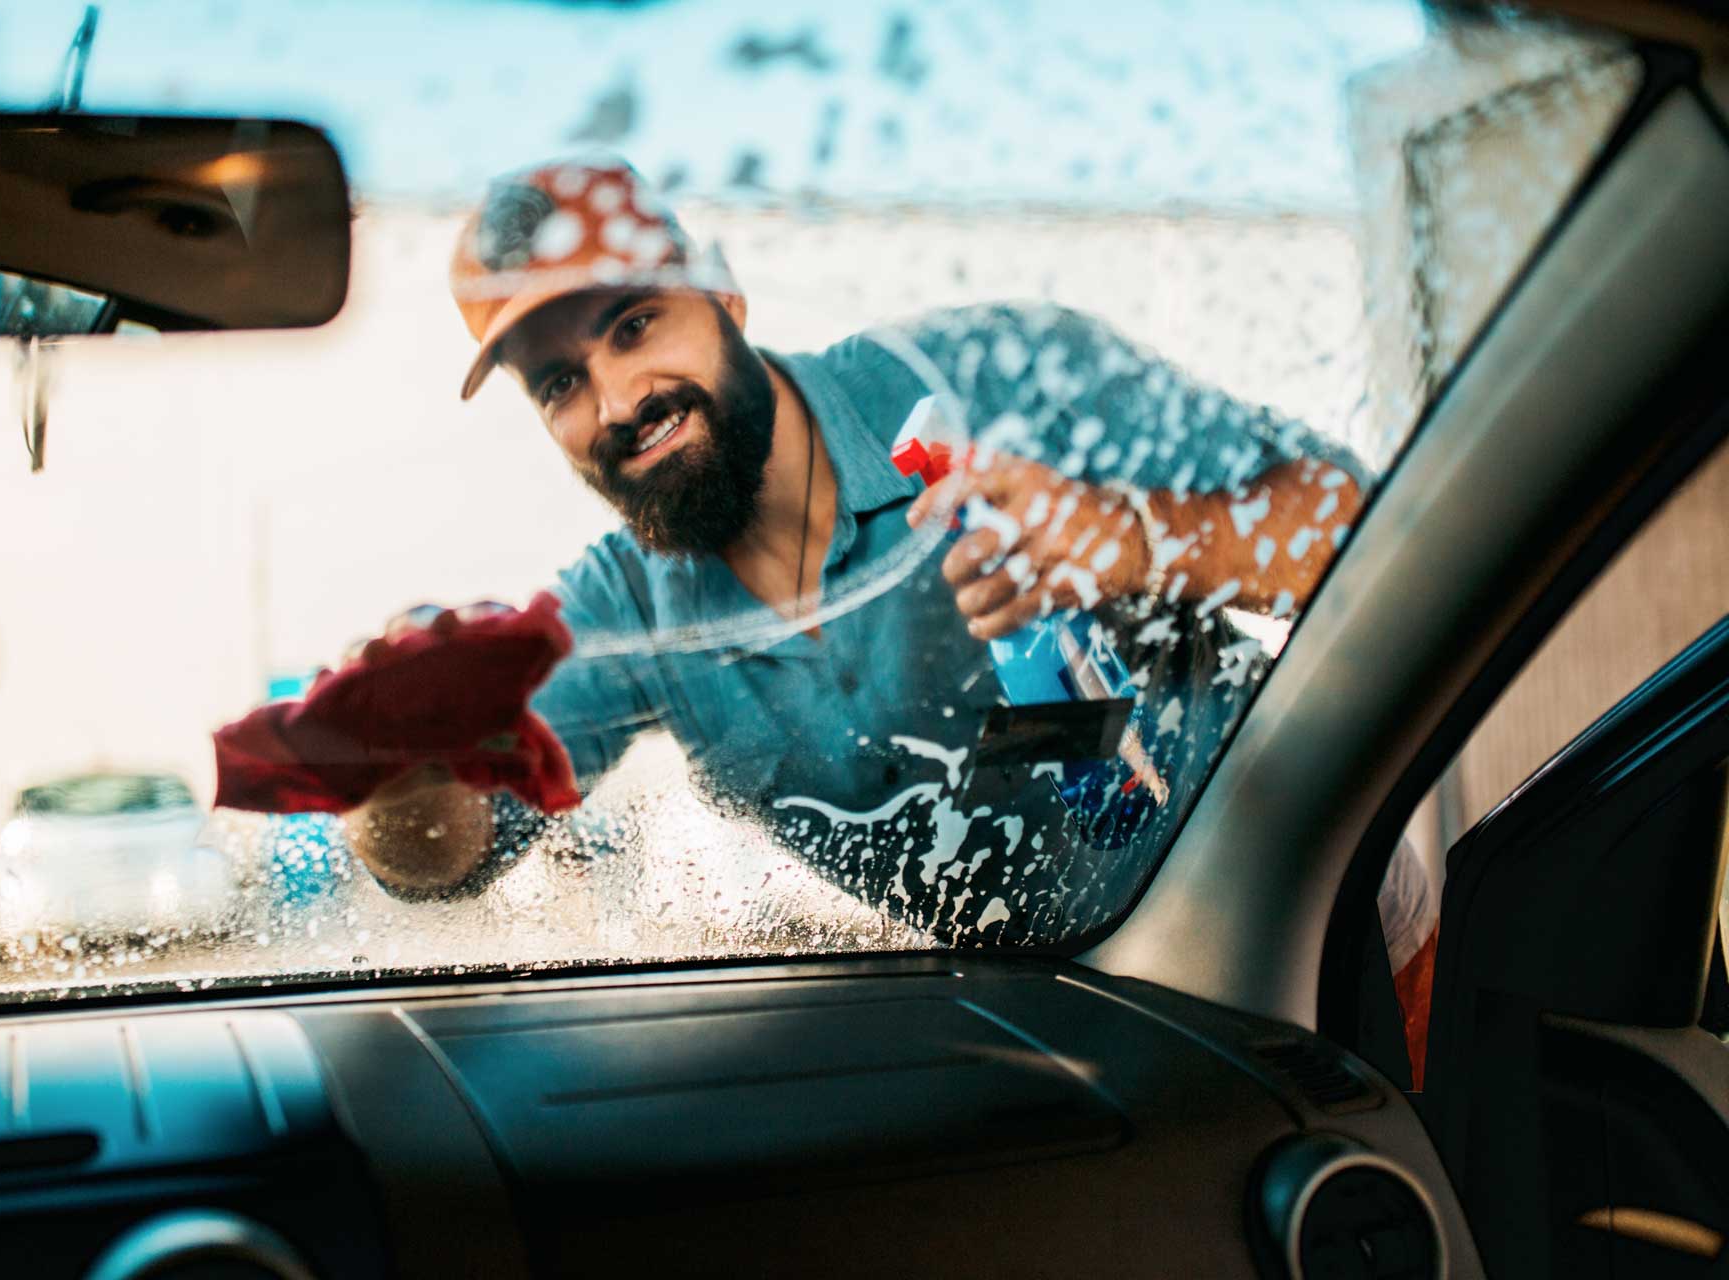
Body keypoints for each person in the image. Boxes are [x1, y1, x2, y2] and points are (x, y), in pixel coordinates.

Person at [342, 157, 1375, 947]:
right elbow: (451, 851)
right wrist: (391, 769)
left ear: (726, 296)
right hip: (1075, 1015)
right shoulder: (631, 616)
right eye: (558, 384)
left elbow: (1359, 525)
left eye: (635, 322)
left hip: (1315, 919)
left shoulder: (996, 375)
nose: (619, 401)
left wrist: (1133, 538)